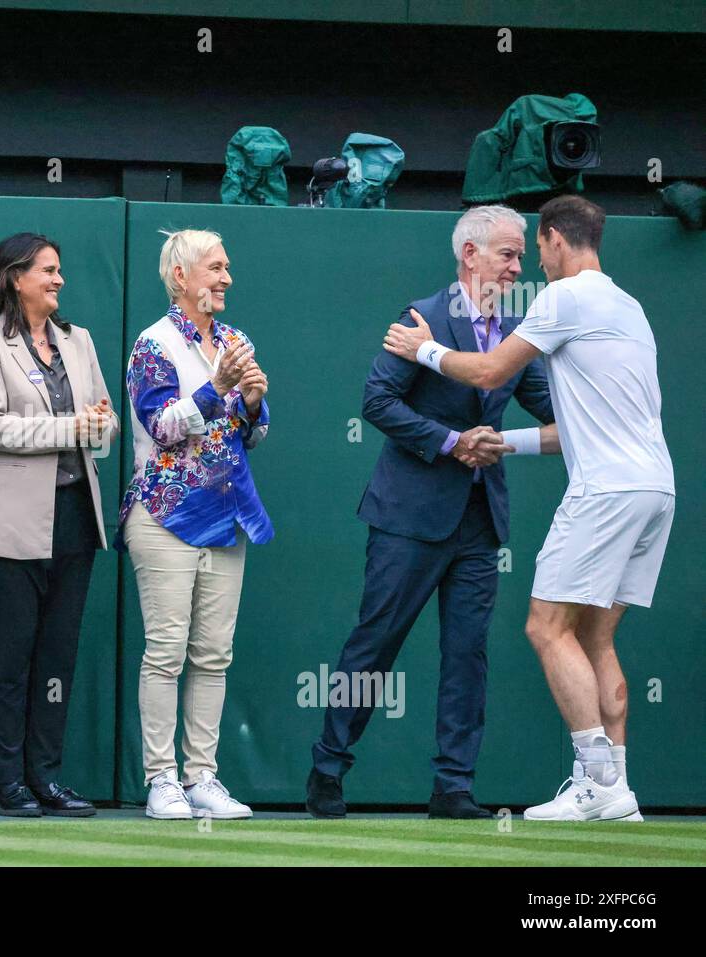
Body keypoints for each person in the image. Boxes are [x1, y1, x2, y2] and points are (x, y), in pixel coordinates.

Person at [384, 195, 674, 822]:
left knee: (547, 627)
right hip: (655, 488)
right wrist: (503, 444)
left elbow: (489, 372)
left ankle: (592, 780)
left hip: (606, 490)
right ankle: (617, 788)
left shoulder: (564, 297)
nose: (531, 264)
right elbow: (577, 426)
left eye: (533, 249)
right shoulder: (630, 308)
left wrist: (424, 351)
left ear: (554, 240)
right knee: (595, 634)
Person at [306, 205, 556, 820]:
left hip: (478, 522)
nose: (519, 266)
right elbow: (377, 400)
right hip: (408, 516)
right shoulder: (422, 319)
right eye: (508, 254)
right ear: (470, 256)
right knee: (376, 643)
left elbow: (550, 404)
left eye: (522, 254)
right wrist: (449, 442)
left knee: (468, 653)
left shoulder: (515, 331)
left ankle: (453, 788)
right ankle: (328, 770)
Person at [0, 233, 118, 817]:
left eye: (60, 270)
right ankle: (9, 784)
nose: (58, 280)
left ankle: (46, 778)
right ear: (14, 277)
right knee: (9, 658)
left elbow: (105, 420)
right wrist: (72, 428)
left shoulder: (80, 342)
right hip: (8, 527)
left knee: (57, 659)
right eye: (47, 271)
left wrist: (100, 424)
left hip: (75, 519)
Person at [118, 228, 271, 820]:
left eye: (227, 267)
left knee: (213, 654)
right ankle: (161, 781)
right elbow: (160, 427)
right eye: (214, 267)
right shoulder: (152, 344)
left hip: (227, 514)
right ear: (180, 277)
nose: (225, 277)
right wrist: (220, 388)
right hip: (163, 514)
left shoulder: (235, 339)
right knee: (166, 651)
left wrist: (254, 403)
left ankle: (202, 776)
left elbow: (251, 436)